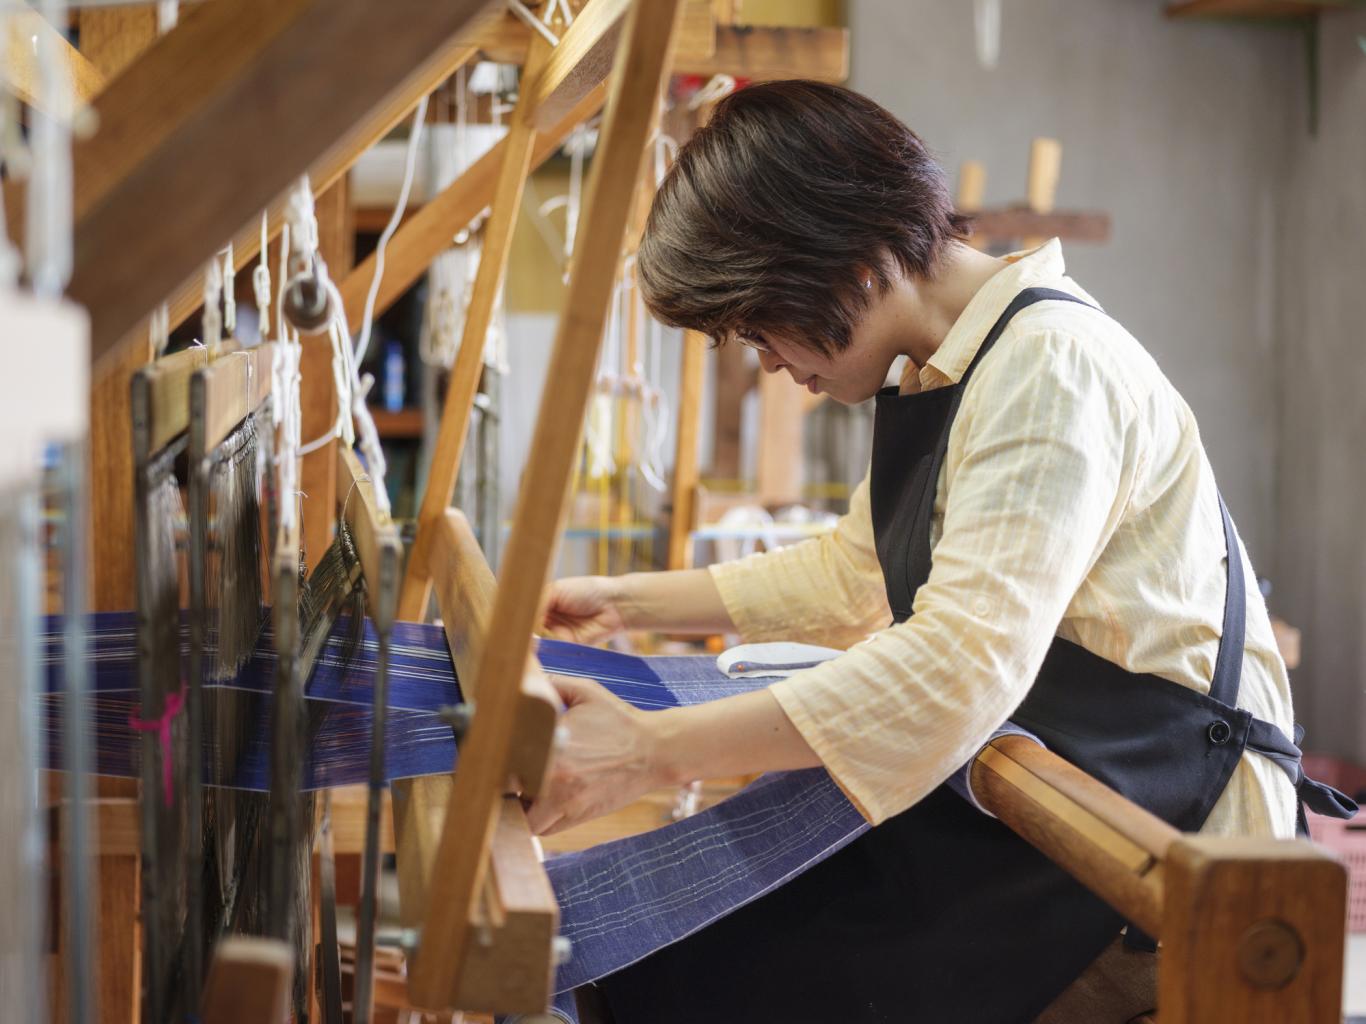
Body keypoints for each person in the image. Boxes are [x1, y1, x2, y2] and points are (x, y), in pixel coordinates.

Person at [526, 81, 1353, 1022]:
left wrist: (646, 753)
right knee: (666, 972)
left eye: (759, 324)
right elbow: (853, 577)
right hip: (1049, 798)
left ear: (845, 258)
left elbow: (959, 667)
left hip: (1155, 845)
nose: (764, 361)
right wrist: (624, 605)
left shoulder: (1051, 367)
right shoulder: (949, 369)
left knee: (714, 985)